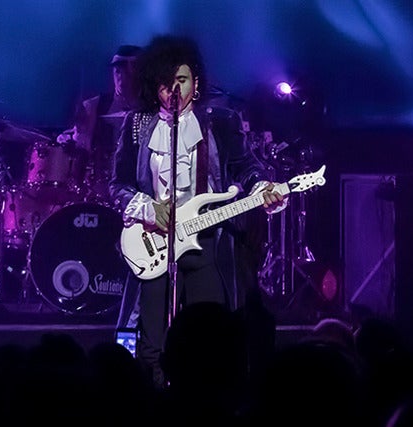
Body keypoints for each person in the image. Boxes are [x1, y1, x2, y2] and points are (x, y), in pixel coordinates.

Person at [109, 34, 287, 389]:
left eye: (182, 80)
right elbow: (118, 185)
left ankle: (209, 399)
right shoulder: (137, 124)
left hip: (208, 242)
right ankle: (156, 399)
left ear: (196, 81)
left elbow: (247, 167)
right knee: (152, 339)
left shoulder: (219, 122)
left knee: (211, 332)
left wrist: (261, 187)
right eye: (166, 82)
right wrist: (147, 207)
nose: (174, 90)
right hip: (156, 243)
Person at [57, 44, 143, 204]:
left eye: (127, 71)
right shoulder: (94, 106)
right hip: (102, 188)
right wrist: (70, 140)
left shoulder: (154, 109)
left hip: (142, 188)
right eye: (117, 71)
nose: (121, 77)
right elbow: (81, 149)